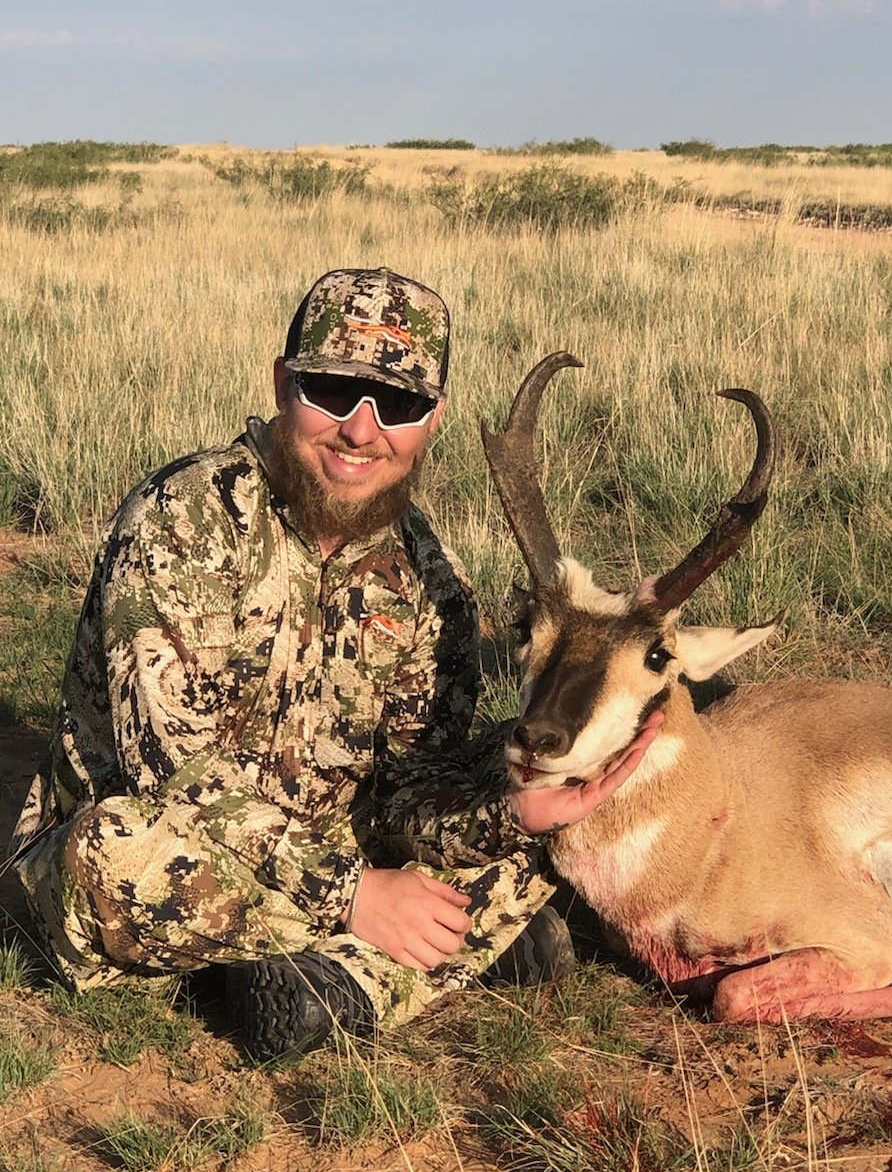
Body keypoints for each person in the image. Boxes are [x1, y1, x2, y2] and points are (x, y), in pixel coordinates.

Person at [9, 268, 658, 1059]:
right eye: (332, 390)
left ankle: (321, 981)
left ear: (433, 420)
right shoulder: (183, 519)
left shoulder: (430, 575)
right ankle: (398, 960)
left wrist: (507, 813)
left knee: (526, 804)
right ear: (285, 383)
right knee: (110, 855)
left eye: (398, 404)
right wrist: (352, 896)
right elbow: (169, 776)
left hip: (339, 846)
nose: (360, 431)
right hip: (179, 841)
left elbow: (410, 785)